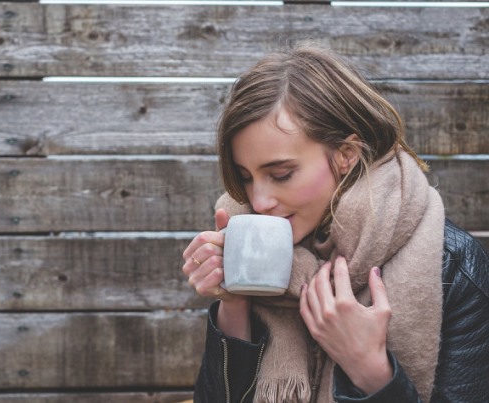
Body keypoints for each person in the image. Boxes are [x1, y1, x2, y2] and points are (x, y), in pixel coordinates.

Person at [181, 44, 489, 403]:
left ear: (346, 154)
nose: (259, 201)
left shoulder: (453, 264)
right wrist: (234, 303)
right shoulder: (248, 246)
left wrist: (369, 369)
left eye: (281, 174)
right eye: (246, 176)